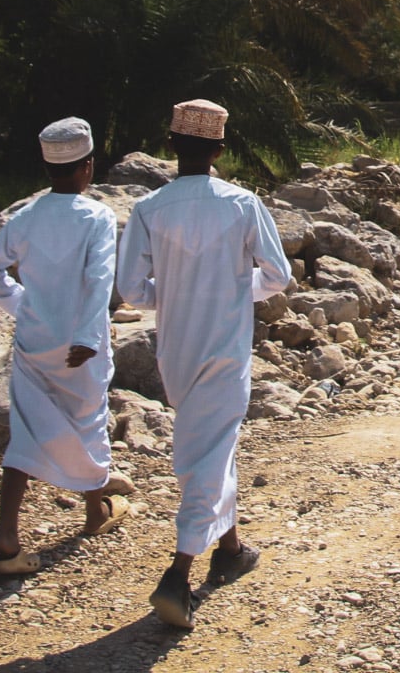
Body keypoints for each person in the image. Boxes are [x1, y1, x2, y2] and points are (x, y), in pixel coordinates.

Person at [117, 99, 291, 629]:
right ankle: (178, 572)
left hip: (175, 351)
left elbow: (130, 289)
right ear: (219, 148)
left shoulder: (149, 209)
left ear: (171, 147)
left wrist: (168, 294)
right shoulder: (242, 204)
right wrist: (241, 290)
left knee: (211, 444)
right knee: (210, 450)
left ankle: (231, 548)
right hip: (224, 347)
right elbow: (277, 275)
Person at [0, 116, 127, 574]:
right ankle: (94, 512)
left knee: (26, 426)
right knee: (90, 417)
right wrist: (84, 334)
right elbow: (100, 277)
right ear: (88, 167)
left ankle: (6, 535)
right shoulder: (96, 216)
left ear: (48, 170)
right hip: (82, 340)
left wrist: (23, 305)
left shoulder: (25, 218)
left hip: (35, 338)